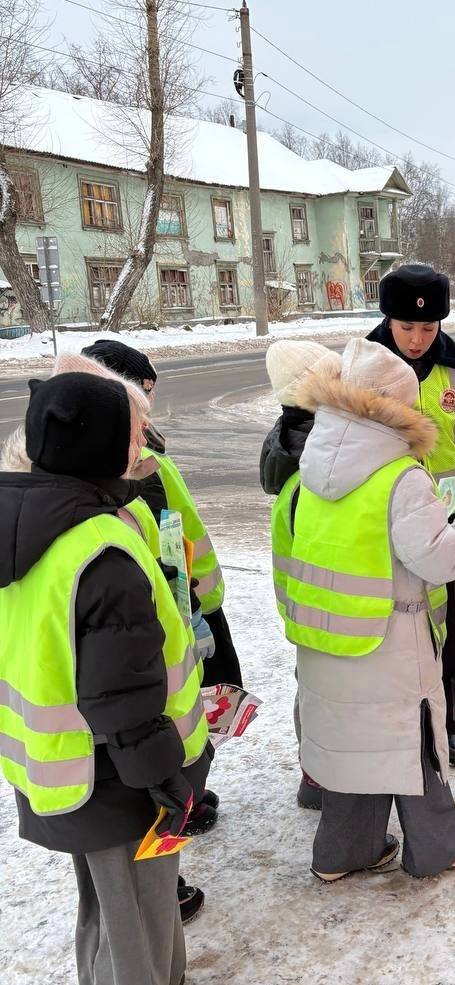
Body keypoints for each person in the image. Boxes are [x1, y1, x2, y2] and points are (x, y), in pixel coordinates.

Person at [0, 373, 213, 984]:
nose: (145, 442)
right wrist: (168, 783)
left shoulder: (29, 524)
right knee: (140, 926)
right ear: (102, 446)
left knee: (107, 911)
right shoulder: (102, 549)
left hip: (62, 766)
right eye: (135, 432)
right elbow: (123, 700)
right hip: (119, 781)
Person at [286, 338, 455, 880]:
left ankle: (342, 852)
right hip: (390, 640)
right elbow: (441, 558)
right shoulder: (401, 477)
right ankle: (438, 845)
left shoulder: (311, 470)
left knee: (355, 746)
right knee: (413, 738)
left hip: (326, 638)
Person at [367, 264, 455, 768]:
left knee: (447, 629)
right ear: (387, 320)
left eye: (428, 327)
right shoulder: (363, 365)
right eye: (406, 327)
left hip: (444, 525)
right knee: (387, 630)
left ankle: (447, 723)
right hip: (377, 526)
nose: (417, 339)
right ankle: (391, 729)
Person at [80, 339, 241, 690]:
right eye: (145, 390)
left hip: (190, 601)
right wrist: (194, 614)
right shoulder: (139, 461)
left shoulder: (135, 447)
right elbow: (166, 543)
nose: (151, 400)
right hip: (183, 609)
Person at [261, 339, 342, 810]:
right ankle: (321, 777)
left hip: (301, 597)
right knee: (323, 694)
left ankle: (314, 775)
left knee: (310, 686)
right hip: (323, 597)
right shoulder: (318, 446)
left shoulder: (287, 438)